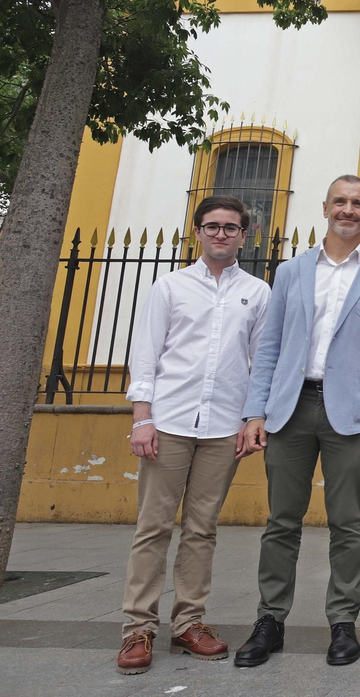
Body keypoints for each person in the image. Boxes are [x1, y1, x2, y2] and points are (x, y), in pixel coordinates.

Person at [233, 175, 360, 668]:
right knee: (281, 521)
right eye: (341, 201)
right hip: (290, 408)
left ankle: (343, 623)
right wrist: (255, 410)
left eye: (358, 203)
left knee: (348, 523)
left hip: (349, 415)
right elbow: (269, 347)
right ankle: (270, 621)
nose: (348, 210)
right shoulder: (290, 272)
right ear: (325, 207)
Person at [115, 195, 272, 674]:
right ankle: (137, 629)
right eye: (212, 226)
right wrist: (142, 417)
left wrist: (252, 418)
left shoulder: (258, 293)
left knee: (202, 530)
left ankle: (189, 623)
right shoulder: (170, 287)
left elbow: (260, 361)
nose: (221, 234)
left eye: (230, 227)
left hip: (224, 426)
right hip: (169, 422)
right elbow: (146, 354)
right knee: (153, 527)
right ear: (198, 231)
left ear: (245, 235)